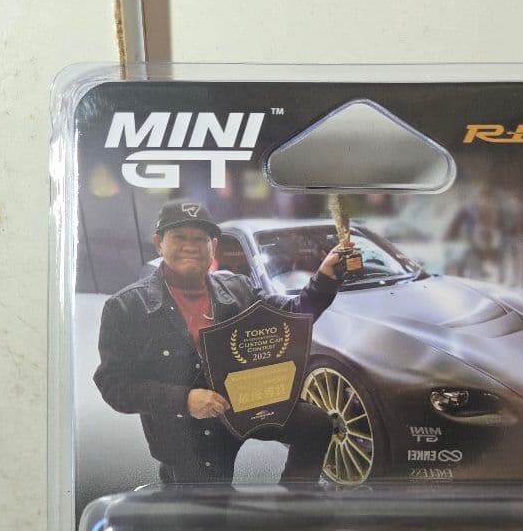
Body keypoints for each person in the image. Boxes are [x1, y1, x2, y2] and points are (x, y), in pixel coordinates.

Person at [94, 199, 343, 483]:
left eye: (200, 239)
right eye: (179, 237)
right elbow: (113, 385)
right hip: (187, 430)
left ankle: (295, 501)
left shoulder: (237, 288)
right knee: (209, 504)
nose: (190, 246)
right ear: (159, 243)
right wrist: (184, 400)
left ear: (213, 246)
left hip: (245, 404)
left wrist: (324, 280)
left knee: (315, 424)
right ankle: (176, 487)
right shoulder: (126, 307)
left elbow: (290, 316)